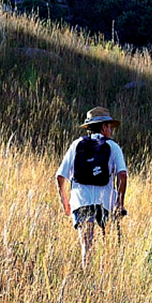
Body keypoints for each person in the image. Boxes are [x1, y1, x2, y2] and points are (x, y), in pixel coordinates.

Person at [55, 107, 128, 269]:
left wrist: (65, 202)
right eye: (110, 126)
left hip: (81, 202)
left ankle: (86, 275)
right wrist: (120, 203)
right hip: (105, 203)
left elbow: (60, 177)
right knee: (105, 246)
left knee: (86, 246)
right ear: (103, 127)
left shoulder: (76, 145)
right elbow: (122, 175)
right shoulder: (113, 147)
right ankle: (103, 280)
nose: (111, 130)